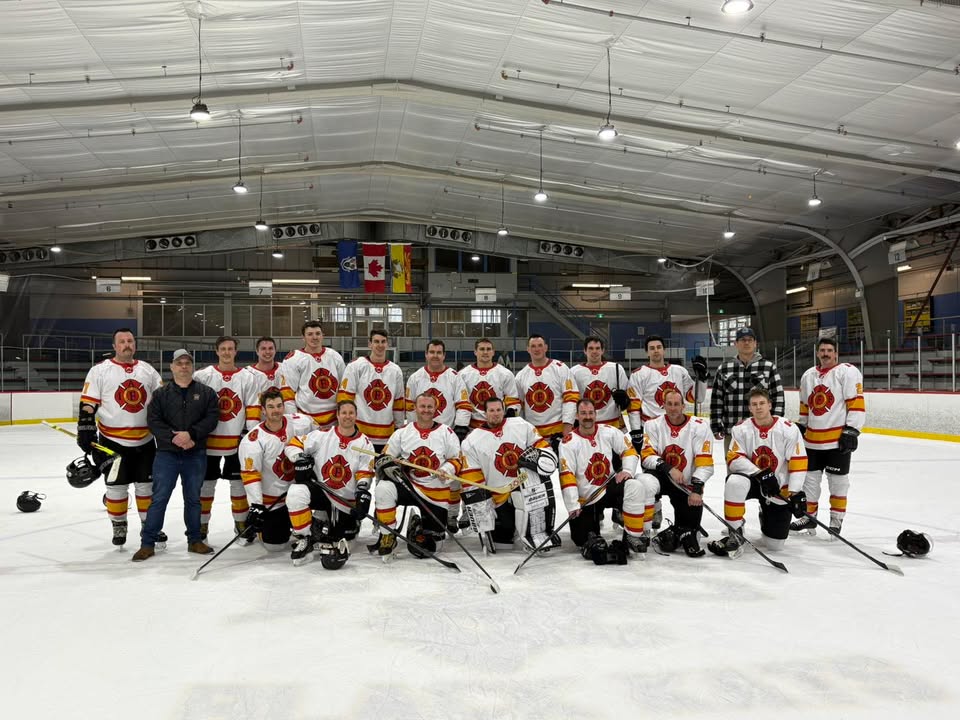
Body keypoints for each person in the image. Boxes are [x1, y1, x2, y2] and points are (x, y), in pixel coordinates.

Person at [78, 328, 162, 547]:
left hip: (145, 440)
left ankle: (149, 526)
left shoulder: (148, 370)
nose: (127, 345)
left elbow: (162, 401)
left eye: (130, 341)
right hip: (112, 441)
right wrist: (85, 427)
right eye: (122, 341)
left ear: (135, 344)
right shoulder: (99, 371)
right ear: (114, 346)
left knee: (146, 487)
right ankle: (119, 524)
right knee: (116, 487)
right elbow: (88, 402)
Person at [133, 349, 219, 562]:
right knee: (159, 498)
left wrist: (192, 435)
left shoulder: (206, 393)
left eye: (187, 363)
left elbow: (211, 418)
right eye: (179, 363)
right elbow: (153, 421)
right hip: (167, 455)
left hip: (195, 453)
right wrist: (174, 438)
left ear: (192, 367)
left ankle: (195, 540)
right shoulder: (160, 394)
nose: (183, 366)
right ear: (172, 367)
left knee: (193, 499)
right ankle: (147, 543)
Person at [708, 388, 808, 557]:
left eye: (762, 403)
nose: (758, 407)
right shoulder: (741, 429)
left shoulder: (789, 429)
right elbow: (734, 458)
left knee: (775, 546)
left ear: (770, 405)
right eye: (754, 404)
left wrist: (795, 492)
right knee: (734, 482)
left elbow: (798, 460)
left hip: (777, 488)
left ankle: (765, 513)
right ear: (750, 408)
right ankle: (735, 531)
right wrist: (760, 474)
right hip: (752, 481)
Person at [559, 399, 656, 563]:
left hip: (608, 487)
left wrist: (627, 470)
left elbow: (629, 450)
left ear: (595, 414)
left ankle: (634, 536)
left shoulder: (609, 431)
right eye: (583, 413)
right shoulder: (568, 443)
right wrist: (573, 505)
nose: (587, 417)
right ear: (576, 416)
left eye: (591, 413)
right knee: (581, 540)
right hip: (586, 499)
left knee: (635, 486)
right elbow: (566, 474)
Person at [280, 400, 374, 568]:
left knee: (345, 541)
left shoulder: (364, 443)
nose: (347, 416)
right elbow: (293, 444)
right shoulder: (322, 435)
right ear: (337, 415)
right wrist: (299, 457)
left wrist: (362, 492)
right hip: (322, 491)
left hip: (344, 500)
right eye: (343, 413)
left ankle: (332, 520)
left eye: (351, 413)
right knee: (296, 492)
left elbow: (365, 472)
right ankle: (305, 537)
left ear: (356, 415)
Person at [459, 397, 560, 552]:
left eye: (499, 410)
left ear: (504, 410)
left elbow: (542, 446)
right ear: (484, 413)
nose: (496, 414)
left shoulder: (521, 425)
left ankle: (536, 532)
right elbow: (471, 477)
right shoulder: (471, 441)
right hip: (498, 497)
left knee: (530, 514)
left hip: (527, 488)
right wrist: (483, 508)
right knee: (503, 544)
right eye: (491, 410)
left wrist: (544, 457)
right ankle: (511, 528)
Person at [370, 393, 462, 558]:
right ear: (415, 408)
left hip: (435, 491)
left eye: (429, 407)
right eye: (422, 406)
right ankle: (387, 534)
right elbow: (384, 458)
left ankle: (417, 524)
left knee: (431, 546)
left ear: (435, 409)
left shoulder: (446, 432)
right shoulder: (402, 432)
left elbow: (457, 459)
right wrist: (391, 464)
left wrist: (447, 470)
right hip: (408, 485)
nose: (426, 410)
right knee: (384, 488)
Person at [791, 336, 865, 536]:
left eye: (829, 351)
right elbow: (805, 405)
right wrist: (802, 425)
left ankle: (836, 520)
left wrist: (852, 429)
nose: (825, 354)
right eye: (822, 350)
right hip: (812, 441)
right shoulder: (808, 375)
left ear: (836, 353)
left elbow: (856, 401)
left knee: (838, 483)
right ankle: (809, 518)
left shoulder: (847, 372)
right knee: (809, 482)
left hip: (836, 441)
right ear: (817, 353)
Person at [194, 335, 258, 540]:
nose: (227, 352)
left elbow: (252, 407)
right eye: (223, 349)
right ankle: (202, 525)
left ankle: (241, 523)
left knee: (238, 484)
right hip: (208, 441)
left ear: (235, 352)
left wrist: (250, 437)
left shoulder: (247, 377)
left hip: (236, 441)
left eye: (230, 349)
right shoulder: (203, 376)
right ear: (217, 351)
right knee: (206, 485)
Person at [404, 339, 472, 531]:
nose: (435, 355)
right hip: (423, 435)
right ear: (426, 354)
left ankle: (452, 515)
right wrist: (414, 430)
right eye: (432, 352)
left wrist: (460, 428)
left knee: (452, 476)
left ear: (444, 355)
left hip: (447, 435)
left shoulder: (454, 377)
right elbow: (410, 407)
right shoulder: (416, 378)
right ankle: (430, 511)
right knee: (426, 476)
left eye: (439, 352)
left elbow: (463, 405)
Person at [638, 387, 714, 558]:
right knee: (644, 482)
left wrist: (697, 489)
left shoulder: (699, 427)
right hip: (661, 477)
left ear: (683, 406)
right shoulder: (652, 425)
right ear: (663, 405)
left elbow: (705, 463)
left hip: (685, 484)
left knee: (690, 536)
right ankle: (644, 532)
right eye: (669, 404)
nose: (673, 408)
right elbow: (647, 457)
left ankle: (680, 529)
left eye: (676, 404)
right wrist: (669, 468)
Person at [237, 389, 315, 553]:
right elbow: (251, 475)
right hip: (274, 501)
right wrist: (257, 505)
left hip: (299, 493)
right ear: (263, 410)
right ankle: (264, 530)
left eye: (279, 405)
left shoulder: (300, 423)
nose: (276, 410)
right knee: (275, 546)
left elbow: (321, 438)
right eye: (271, 407)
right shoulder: (253, 440)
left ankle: (318, 520)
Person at [710, 327, 784, 453]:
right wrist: (716, 425)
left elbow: (778, 398)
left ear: (755, 343)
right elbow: (717, 399)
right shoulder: (724, 369)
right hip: (733, 432)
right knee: (734, 465)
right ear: (735, 343)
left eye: (750, 340)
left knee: (762, 464)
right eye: (743, 340)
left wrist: (776, 424)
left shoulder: (768, 367)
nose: (746, 343)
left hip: (762, 432)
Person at [336, 329, 406, 452]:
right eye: (376, 341)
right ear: (370, 344)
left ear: (387, 344)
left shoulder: (396, 370)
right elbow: (345, 399)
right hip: (359, 433)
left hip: (386, 435)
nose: (380, 345)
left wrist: (399, 428)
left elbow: (398, 402)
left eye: (383, 342)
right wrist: (346, 426)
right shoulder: (356, 366)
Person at [626, 335, 695, 450]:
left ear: (664, 350)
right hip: (651, 428)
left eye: (659, 347)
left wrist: (702, 380)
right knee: (651, 460)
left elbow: (692, 397)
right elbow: (634, 406)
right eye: (652, 348)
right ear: (647, 352)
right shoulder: (638, 374)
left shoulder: (679, 371)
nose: (656, 350)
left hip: (678, 426)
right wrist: (636, 431)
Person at [515, 334, 579, 453]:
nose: (537, 349)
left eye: (540, 345)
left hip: (559, 432)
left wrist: (567, 427)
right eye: (533, 346)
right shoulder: (521, 376)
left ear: (546, 347)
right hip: (534, 436)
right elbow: (519, 406)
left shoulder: (560, 368)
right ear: (528, 349)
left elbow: (571, 399)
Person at [281, 320, 346, 427]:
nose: (314, 337)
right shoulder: (293, 359)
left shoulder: (335, 356)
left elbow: (344, 389)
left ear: (322, 336)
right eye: (310, 334)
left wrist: (343, 415)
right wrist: (294, 421)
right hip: (306, 420)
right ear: (303, 337)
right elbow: (287, 394)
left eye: (318, 333)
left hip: (334, 419)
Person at [459, 338, 521, 429]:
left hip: (498, 426)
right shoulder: (463, 375)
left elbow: (513, 400)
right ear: (475, 352)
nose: (485, 352)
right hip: (472, 428)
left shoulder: (505, 374)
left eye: (488, 349)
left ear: (493, 352)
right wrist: (461, 424)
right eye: (482, 349)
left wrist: (510, 413)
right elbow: (462, 403)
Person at [571, 336, 630, 430]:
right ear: (585, 351)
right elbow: (571, 402)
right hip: (586, 426)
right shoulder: (574, 372)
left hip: (613, 425)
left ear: (602, 350)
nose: (594, 351)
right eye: (591, 348)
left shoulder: (616, 369)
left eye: (597, 348)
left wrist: (625, 401)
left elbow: (627, 398)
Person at [243, 336, 290, 424]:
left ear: (275, 350)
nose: (267, 352)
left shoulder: (285, 369)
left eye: (270, 348)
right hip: (257, 425)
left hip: (283, 423)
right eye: (263, 349)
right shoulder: (247, 373)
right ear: (257, 351)